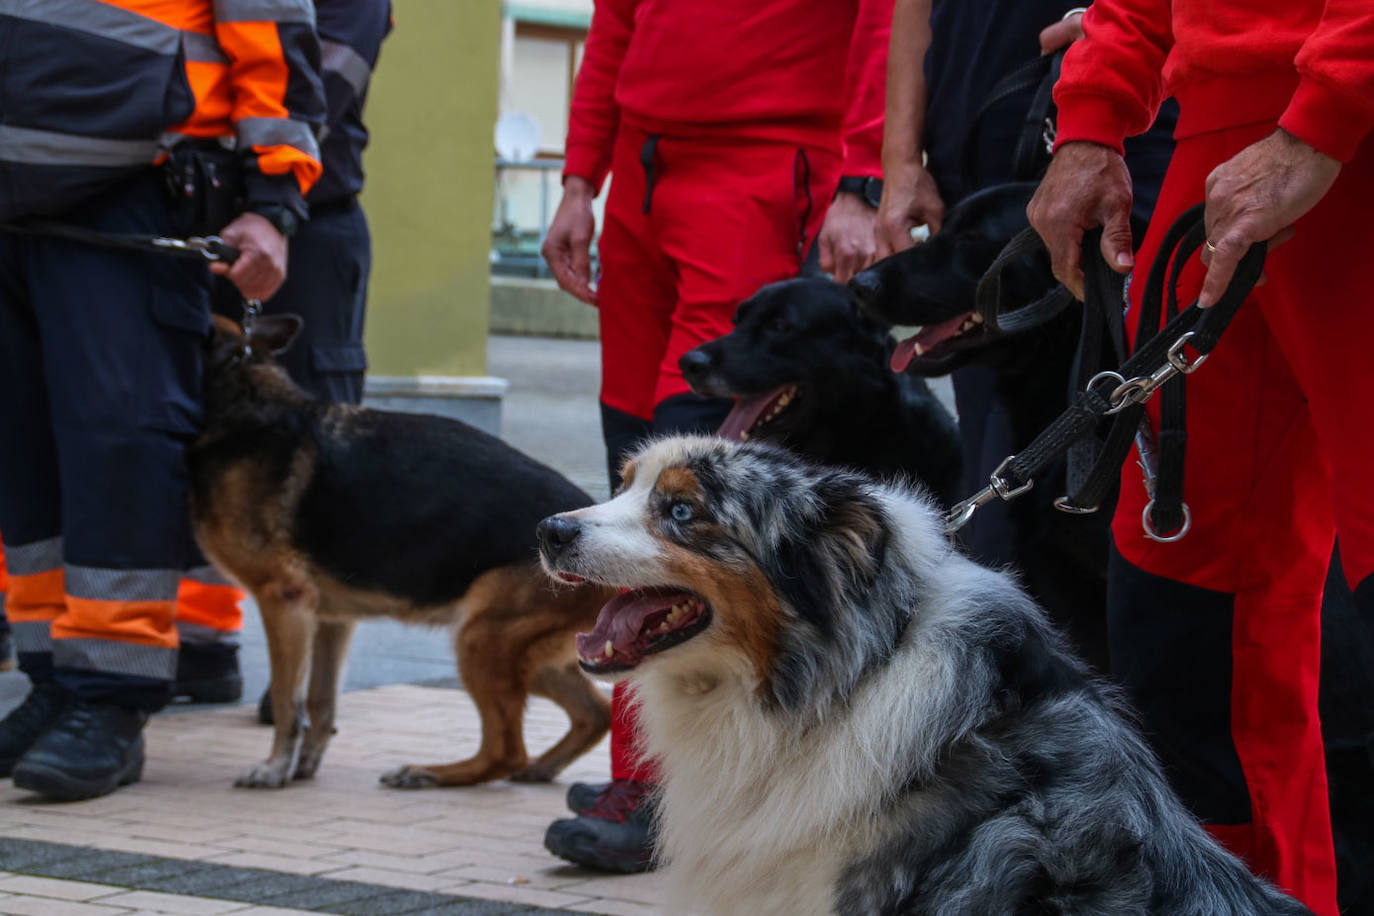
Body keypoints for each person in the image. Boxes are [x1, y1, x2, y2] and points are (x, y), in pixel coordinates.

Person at [1027, 1, 1373, 912]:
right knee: (1183, 622)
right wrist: (1091, 120)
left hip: (1341, 127)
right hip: (1214, 148)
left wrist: (1328, 112)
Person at [539, 0, 893, 872]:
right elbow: (616, 21)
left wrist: (863, 179)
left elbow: (885, 20)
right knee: (631, 470)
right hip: (642, 172)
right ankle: (654, 765)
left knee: (688, 488)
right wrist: (580, 178)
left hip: (765, 166)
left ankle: (653, 789)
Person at [0, 0, 324, 801]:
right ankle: (54, 677)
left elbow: (270, 26)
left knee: (120, 442)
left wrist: (274, 197)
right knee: (26, 449)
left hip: (135, 183)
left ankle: (111, 692)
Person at [876, 0, 1176, 663]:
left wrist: (1105, 81)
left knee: (1142, 532)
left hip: (1132, 127)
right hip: (981, 136)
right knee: (1008, 533)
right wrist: (898, 159)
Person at [206, 0, 394, 721]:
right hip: (210, 219)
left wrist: (257, 185)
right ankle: (201, 639)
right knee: (205, 443)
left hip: (308, 220)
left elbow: (319, 87)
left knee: (325, 456)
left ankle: (311, 678)